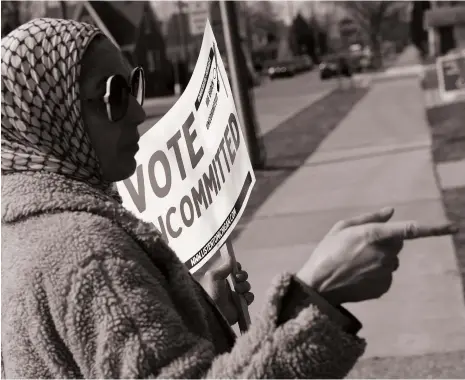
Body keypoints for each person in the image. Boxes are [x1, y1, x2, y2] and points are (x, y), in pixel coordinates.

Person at [1, 18, 457, 379]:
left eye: (134, 84)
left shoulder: (23, 232)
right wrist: (317, 295)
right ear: (45, 114)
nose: (139, 112)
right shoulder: (86, 252)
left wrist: (201, 319)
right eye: (115, 95)